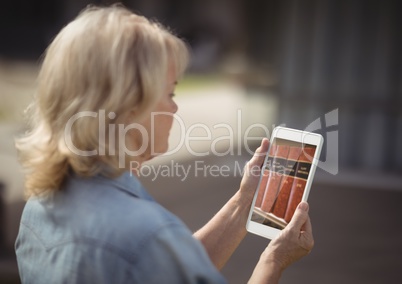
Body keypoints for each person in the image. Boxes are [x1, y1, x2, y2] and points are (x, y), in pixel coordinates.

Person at [14, 5, 314, 284]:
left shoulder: (41, 203)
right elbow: (150, 253)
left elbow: (162, 269)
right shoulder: (147, 235)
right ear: (131, 105)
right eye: (169, 93)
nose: (174, 108)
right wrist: (275, 259)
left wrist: (244, 201)